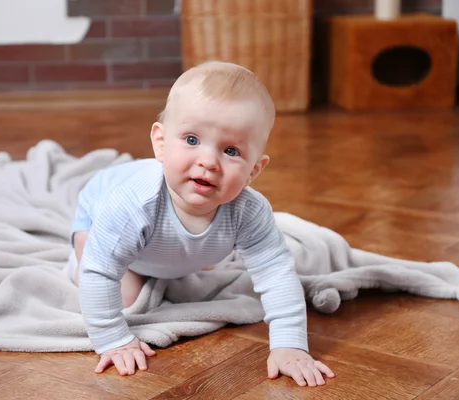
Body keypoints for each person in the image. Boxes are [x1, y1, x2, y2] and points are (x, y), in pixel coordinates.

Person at [68, 61, 335, 387]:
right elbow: (100, 272)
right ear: (161, 143)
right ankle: (82, 249)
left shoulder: (249, 212)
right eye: (192, 140)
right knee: (116, 291)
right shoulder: (132, 204)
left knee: (195, 266)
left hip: (161, 245)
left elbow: (277, 273)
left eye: (231, 150)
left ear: (253, 170)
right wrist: (112, 338)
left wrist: (289, 345)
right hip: (99, 214)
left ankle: (180, 256)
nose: (208, 161)